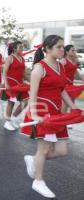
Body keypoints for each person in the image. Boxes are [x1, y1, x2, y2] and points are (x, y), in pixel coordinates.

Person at [21, 35, 82, 198]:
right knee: (44, 148)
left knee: (62, 151)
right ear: (48, 49)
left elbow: (62, 90)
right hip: (43, 112)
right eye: (59, 47)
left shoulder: (60, 66)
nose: (63, 50)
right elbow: (32, 93)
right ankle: (38, 181)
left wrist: (73, 106)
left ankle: (34, 160)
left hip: (57, 113)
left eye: (63, 47)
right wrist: (33, 113)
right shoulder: (39, 68)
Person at [2, 41, 28, 131]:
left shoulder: (22, 58)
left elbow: (24, 73)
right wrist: (6, 84)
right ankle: (7, 122)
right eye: (20, 47)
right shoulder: (10, 58)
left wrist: (31, 81)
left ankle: (12, 118)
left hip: (20, 84)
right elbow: (4, 72)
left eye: (22, 47)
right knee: (11, 103)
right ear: (14, 48)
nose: (22, 48)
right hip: (11, 83)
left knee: (25, 102)